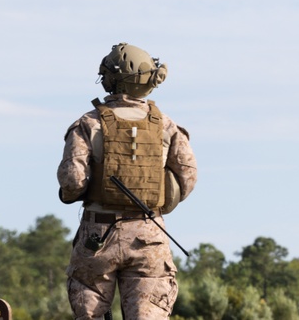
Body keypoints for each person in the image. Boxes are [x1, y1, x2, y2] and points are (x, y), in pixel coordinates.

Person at [57, 42, 197, 320]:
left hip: (98, 236)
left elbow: (72, 181)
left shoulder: (89, 123)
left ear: (110, 80)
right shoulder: (166, 125)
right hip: (149, 236)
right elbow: (188, 176)